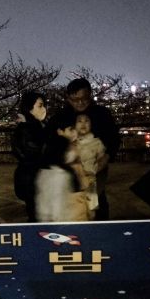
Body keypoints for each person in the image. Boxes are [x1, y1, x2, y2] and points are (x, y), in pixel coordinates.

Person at [50, 78, 119, 219]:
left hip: (96, 169)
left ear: (90, 95)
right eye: (75, 99)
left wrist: (106, 157)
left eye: (84, 98)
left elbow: (113, 139)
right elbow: (52, 143)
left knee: (96, 204)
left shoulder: (102, 114)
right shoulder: (60, 118)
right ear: (68, 98)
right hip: (69, 171)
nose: (80, 102)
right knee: (73, 207)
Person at [35, 116, 90, 222]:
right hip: (69, 214)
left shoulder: (48, 165)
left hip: (66, 213)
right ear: (59, 131)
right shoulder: (61, 170)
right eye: (71, 129)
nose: (75, 133)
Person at [11, 91, 48, 222]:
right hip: (32, 179)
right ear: (29, 107)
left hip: (33, 178)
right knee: (37, 216)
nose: (44, 109)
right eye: (40, 105)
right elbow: (33, 153)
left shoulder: (37, 125)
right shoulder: (27, 128)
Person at [75, 113, 106, 214]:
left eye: (86, 121)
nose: (83, 124)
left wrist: (94, 171)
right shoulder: (71, 143)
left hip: (90, 182)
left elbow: (102, 160)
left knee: (90, 211)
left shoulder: (97, 142)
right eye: (79, 121)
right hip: (74, 182)